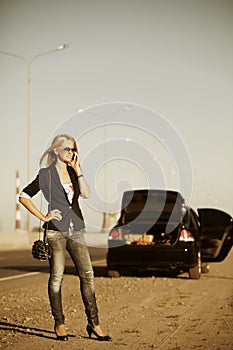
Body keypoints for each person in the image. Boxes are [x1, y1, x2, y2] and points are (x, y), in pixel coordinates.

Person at [19, 134, 111, 342]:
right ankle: (59, 323)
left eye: (73, 149)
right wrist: (43, 216)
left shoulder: (73, 172)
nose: (71, 152)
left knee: (87, 275)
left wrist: (79, 172)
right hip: (55, 232)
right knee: (56, 279)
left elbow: (86, 195)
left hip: (77, 230)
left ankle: (94, 324)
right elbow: (23, 196)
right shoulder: (45, 174)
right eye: (67, 149)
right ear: (56, 151)